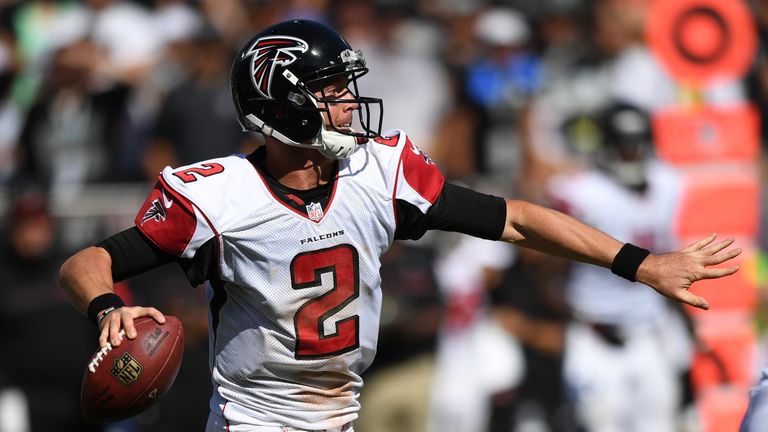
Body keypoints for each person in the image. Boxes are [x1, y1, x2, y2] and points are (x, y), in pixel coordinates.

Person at [59, 19, 741, 432]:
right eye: (329, 94)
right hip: (254, 421)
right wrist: (103, 309)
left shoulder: (379, 172)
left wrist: (642, 264)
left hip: (343, 414)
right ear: (281, 105)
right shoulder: (217, 194)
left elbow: (514, 219)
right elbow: (88, 259)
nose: (350, 106)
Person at [547, 101, 697, 432]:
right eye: (624, 145)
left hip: (649, 332)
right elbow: (545, 264)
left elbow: (673, 258)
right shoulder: (580, 192)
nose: (632, 153)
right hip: (594, 333)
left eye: (637, 143)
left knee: (660, 424)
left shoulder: (668, 184)